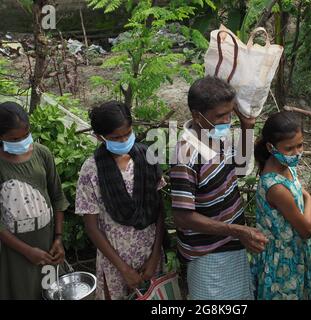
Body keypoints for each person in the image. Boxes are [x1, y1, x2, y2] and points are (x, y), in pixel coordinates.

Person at [170, 76, 267, 300]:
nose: (227, 120)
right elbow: (183, 218)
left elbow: (240, 168)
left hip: (232, 243)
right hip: (207, 253)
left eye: (230, 113)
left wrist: (247, 126)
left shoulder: (217, 137)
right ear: (197, 115)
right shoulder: (186, 154)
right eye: (220, 116)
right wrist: (236, 230)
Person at [75, 101, 166, 300]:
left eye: (127, 133)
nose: (124, 140)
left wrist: (154, 258)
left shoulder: (146, 158)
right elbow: (92, 227)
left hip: (149, 255)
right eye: (116, 137)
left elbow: (158, 211)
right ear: (100, 137)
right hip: (114, 262)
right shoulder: (91, 170)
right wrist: (123, 269)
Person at [0, 101, 69, 300]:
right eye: (15, 138)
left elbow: (57, 197)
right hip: (13, 251)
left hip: (48, 246)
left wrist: (58, 238)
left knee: (50, 292)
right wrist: (28, 251)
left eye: (25, 134)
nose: (23, 141)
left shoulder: (41, 153)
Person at [252, 111, 311, 300]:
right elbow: (306, 230)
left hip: (294, 252)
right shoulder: (276, 187)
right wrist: (309, 199)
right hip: (284, 261)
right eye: (290, 148)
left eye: (300, 145)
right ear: (271, 147)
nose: (297, 152)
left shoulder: (286, 168)